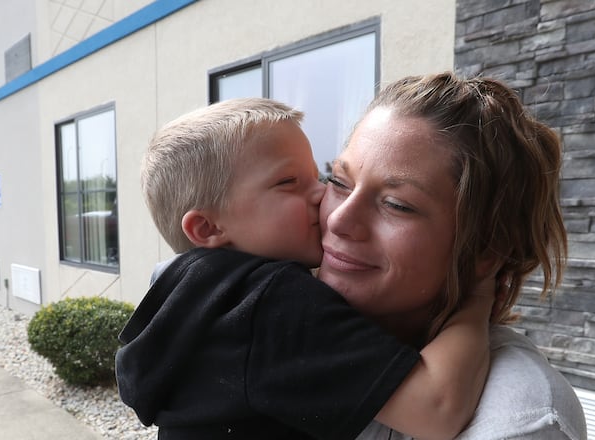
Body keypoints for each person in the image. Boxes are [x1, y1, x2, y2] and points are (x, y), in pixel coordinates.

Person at [116, 97, 496, 440]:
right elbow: (438, 411)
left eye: (322, 176)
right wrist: (477, 299)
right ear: (209, 228)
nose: (322, 195)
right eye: (288, 182)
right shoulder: (268, 302)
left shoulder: (197, 295)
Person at [313, 72, 587, 439]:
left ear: (486, 249)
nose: (338, 218)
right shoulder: (265, 308)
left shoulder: (519, 419)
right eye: (339, 182)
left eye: (397, 204)